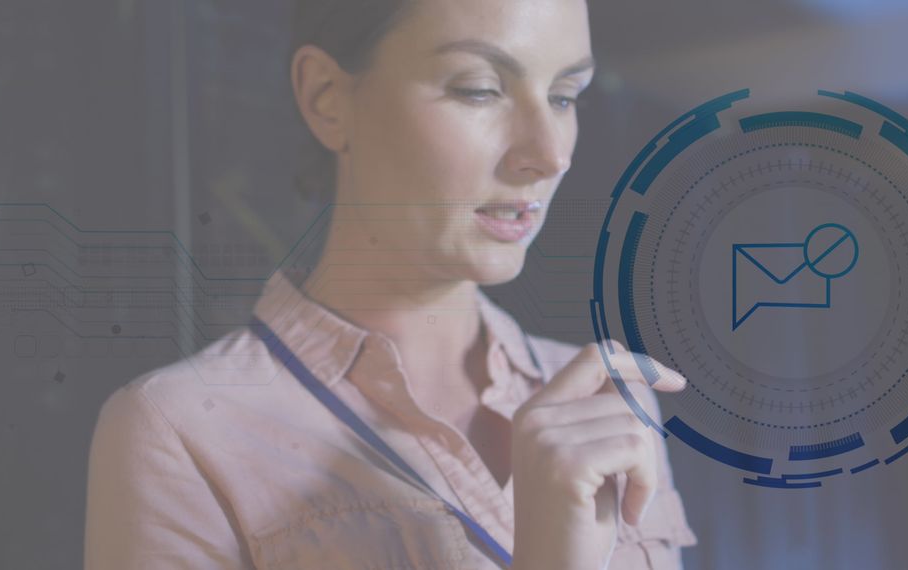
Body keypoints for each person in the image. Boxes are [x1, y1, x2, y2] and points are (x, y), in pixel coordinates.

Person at [83, 0, 697, 568]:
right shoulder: (182, 433)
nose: (549, 153)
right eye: (479, 90)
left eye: (564, 97)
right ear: (327, 98)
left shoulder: (606, 404)